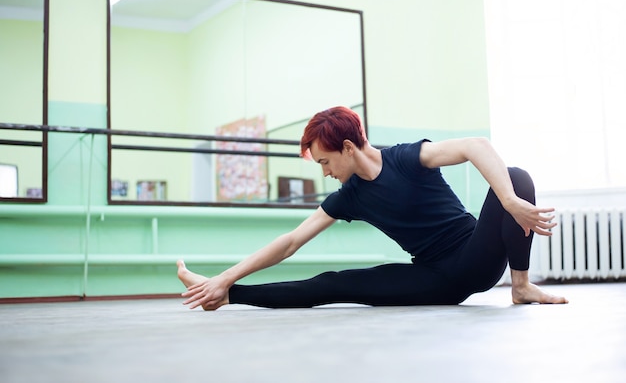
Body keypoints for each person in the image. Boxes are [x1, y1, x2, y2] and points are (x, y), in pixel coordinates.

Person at [177, 106, 568, 310]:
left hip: (474, 256)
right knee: (333, 283)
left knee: (516, 176)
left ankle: (520, 286)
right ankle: (231, 297)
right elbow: (291, 241)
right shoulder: (349, 196)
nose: (325, 173)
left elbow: (476, 146)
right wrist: (224, 279)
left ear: (348, 147)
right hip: (434, 279)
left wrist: (509, 202)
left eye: (325, 162)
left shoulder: (407, 157)